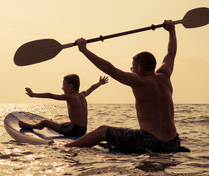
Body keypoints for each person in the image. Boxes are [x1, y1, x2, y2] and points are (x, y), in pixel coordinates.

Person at [65, 20, 185, 153]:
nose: (132, 70)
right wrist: (172, 31)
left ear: (139, 68)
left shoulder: (140, 81)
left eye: (132, 67)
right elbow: (171, 52)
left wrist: (84, 50)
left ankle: (65, 148)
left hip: (150, 142)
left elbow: (110, 69)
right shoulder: (165, 75)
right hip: (174, 143)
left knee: (102, 131)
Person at [19, 74, 109, 137]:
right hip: (83, 130)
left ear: (70, 86)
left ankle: (30, 126)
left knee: (45, 122)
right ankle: (54, 125)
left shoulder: (69, 97)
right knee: (66, 123)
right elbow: (91, 88)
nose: (62, 88)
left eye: (63, 85)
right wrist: (100, 83)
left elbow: (50, 95)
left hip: (73, 130)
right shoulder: (82, 95)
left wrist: (33, 94)